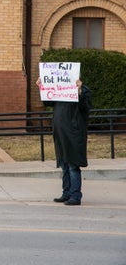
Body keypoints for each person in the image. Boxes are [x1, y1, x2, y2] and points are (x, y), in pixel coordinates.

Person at [38, 77, 92, 206]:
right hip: (61, 133)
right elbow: (48, 102)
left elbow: (86, 106)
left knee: (73, 164)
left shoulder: (83, 90)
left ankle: (75, 195)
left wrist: (79, 91)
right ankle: (66, 192)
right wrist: (42, 87)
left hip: (74, 133)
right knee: (64, 164)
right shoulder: (60, 89)